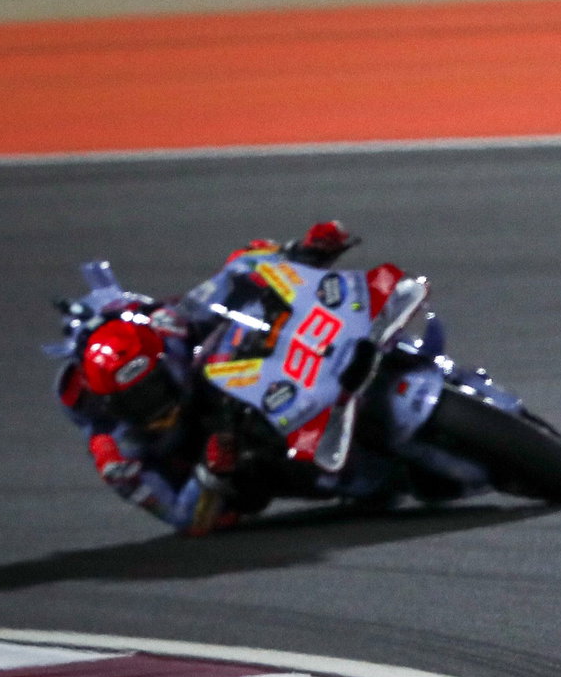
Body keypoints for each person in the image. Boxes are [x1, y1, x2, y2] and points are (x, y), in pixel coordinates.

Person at [53, 221, 359, 535]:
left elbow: (231, 275)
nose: (152, 406)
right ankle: (331, 468)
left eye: (153, 389)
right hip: (212, 457)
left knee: (253, 275)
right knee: (247, 475)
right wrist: (209, 471)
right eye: (134, 402)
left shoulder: (166, 326)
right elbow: (182, 518)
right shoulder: (117, 455)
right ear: (108, 404)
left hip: (215, 384)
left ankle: (346, 326)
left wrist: (300, 253)